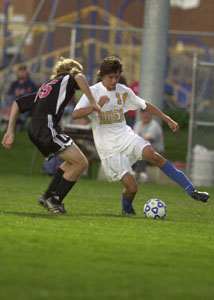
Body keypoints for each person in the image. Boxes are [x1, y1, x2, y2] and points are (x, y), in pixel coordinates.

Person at [72, 56, 210, 215]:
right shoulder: (93, 92)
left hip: (125, 136)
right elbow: (76, 114)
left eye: (116, 77)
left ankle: (192, 191)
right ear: (102, 75)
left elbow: (144, 105)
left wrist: (167, 119)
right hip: (109, 148)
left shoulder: (123, 91)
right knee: (132, 188)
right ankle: (127, 209)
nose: (114, 80)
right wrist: (96, 107)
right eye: (110, 77)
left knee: (155, 156)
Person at [1, 57, 103, 214]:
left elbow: (17, 103)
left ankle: (47, 195)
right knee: (81, 163)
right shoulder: (68, 78)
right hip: (46, 127)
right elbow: (80, 77)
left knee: (71, 162)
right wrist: (93, 102)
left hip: (35, 128)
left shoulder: (46, 88)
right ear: (72, 71)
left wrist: (10, 131)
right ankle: (54, 201)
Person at [132, 110, 164, 182]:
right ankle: (129, 174)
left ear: (151, 115)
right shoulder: (138, 124)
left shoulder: (154, 125)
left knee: (144, 150)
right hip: (142, 150)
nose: (145, 115)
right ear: (140, 115)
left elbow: (148, 140)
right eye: (143, 113)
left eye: (148, 113)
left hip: (157, 152)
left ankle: (142, 175)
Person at [4, 65, 38, 129]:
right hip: (14, 105)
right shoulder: (14, 84)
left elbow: (34, 97)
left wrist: (21, 94)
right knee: (11, 97)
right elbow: (10, 95)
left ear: (27, 73)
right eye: (20, 71)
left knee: (25, 96)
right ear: (17, 73)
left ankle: (20, 120)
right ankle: (8, 116)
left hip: (25, 107)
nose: (22, 73)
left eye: (23, 71)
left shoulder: (31, 84)